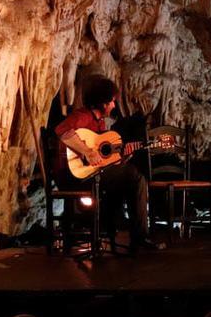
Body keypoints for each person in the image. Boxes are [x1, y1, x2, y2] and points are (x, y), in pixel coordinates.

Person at [54, 76, 157, 252]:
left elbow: (103, 157)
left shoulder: (100, 123)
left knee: (126, 176)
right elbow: (62, 131)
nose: (114, 106)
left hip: (90, 174)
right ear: (103, 103)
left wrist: (123, 155)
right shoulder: (83, 116)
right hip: (70, 175)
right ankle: (140, 236)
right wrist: (86, 151)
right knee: (136, 177)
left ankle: (109, 228)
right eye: (112, 102)